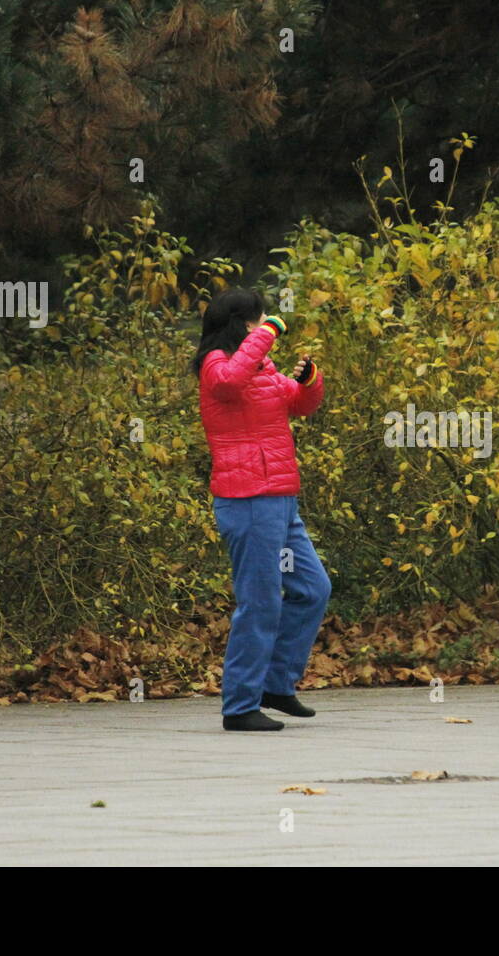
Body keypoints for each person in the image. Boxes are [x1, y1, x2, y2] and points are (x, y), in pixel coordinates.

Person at [191, 288, 331, 731]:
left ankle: (275, 683)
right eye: (260, 319)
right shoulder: (217, 365)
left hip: (281, 497)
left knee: (313, 589)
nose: (266, 323)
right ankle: (240, 706)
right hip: (246, 498)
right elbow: (230, 381)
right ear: (244, 324)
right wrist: (270, 331)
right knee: (260, 601)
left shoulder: (262, 369)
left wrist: (310, 380)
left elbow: (301, 405)